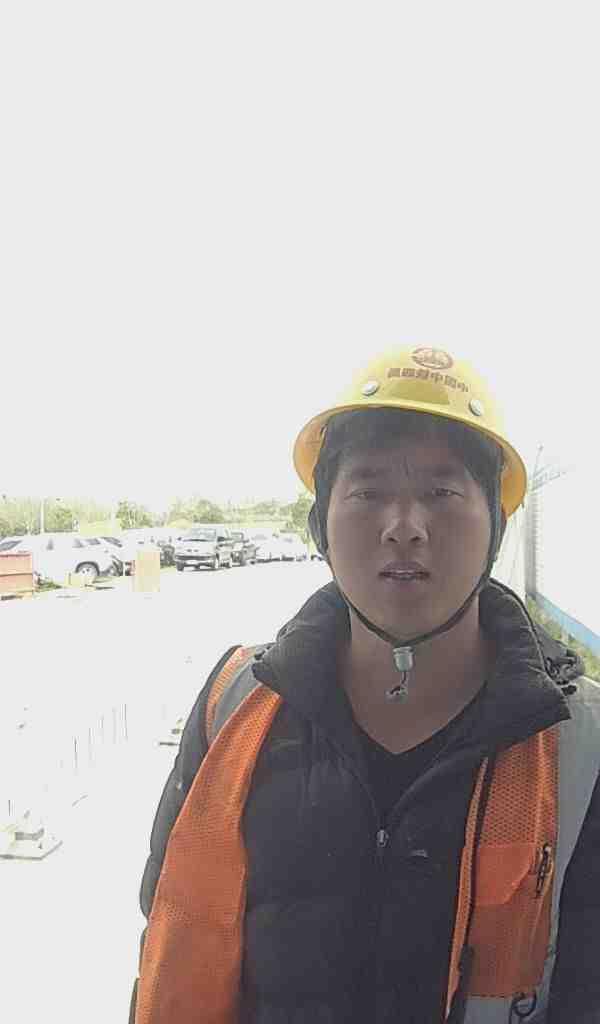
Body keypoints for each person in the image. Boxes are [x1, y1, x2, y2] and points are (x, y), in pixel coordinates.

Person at [130, 346, 600, 1024]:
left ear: (495, 528)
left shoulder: (579, 744)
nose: (404, 528)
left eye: (442, 493)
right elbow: (165, 937)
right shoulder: (234, 706)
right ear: (321, 524)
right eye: (368, 493)